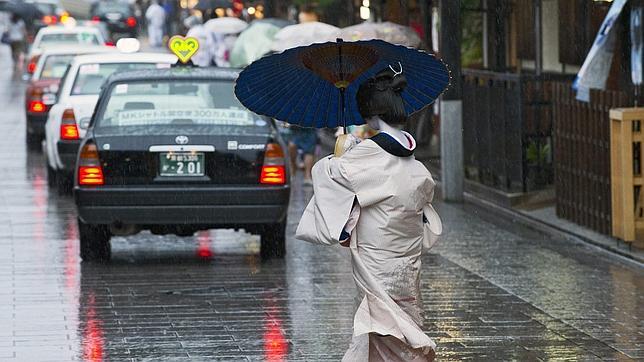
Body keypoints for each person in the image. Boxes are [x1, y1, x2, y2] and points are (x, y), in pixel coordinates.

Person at [296, 64, 442, 361]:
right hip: (406, 245)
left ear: (371, 115)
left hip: (378, 247)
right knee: (401, 307)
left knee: (381, 314)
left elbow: (329, 174)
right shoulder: (409, 149)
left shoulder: (367, 152)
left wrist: (342, 149)